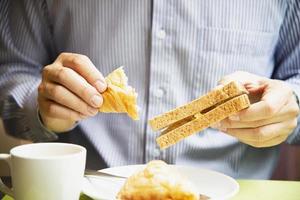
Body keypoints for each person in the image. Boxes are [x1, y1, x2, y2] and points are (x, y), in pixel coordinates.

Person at [0, 0, 299, 179]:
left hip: (238, 189)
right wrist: (41, 108)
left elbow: (295, 80)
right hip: (85, 188)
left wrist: (290, 106)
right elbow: (12, 71)